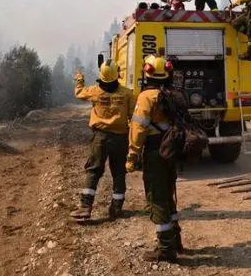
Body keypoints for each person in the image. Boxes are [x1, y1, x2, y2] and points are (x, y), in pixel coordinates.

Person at [126, 55, 183, 262]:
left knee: (157, 197)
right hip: (171, 150)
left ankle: (166, 249)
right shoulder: (173, 94)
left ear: (147, 72)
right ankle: (176, 239)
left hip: (155, 151)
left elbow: (138, 128)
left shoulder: (146, 97)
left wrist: (132, 155)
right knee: (168, 194)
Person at [70, 60, 135, 221]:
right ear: (117, 74)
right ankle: (117, 208)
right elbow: (133, 117)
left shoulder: (95, 91)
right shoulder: (127, 93)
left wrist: (79, 79)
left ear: (102, 74)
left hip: (101, 138)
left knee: (93, 171)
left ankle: (85, 207)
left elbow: (79, 93)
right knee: (119, 172)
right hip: (121, 138)